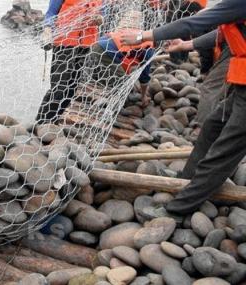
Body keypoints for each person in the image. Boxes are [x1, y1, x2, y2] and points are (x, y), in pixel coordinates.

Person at [119, 0, 246, 214]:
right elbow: (223, 32)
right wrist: (186, 45)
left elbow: (191, 23)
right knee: (212, 127)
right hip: (242, 84)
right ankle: (187, 178)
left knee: (224, 150)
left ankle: (177, 209)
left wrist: (143, 36)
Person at [36, 0, 103, 125]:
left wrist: (99, 19)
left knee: (72, 86)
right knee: (59, 86)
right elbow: (51, 13)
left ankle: (54, 119)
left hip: (85, 45)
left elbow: (102, 15)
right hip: (64, 41)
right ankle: (41, 122)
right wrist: (47, 30)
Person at [89, 20, 155, 106]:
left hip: (98, 43)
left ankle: (106, 87)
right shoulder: (149, 48)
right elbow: (144, 76)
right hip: (105, 51)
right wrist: (143, 96)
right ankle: (115, 107)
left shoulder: (141, 34)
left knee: (118, 76)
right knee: (125, 83)